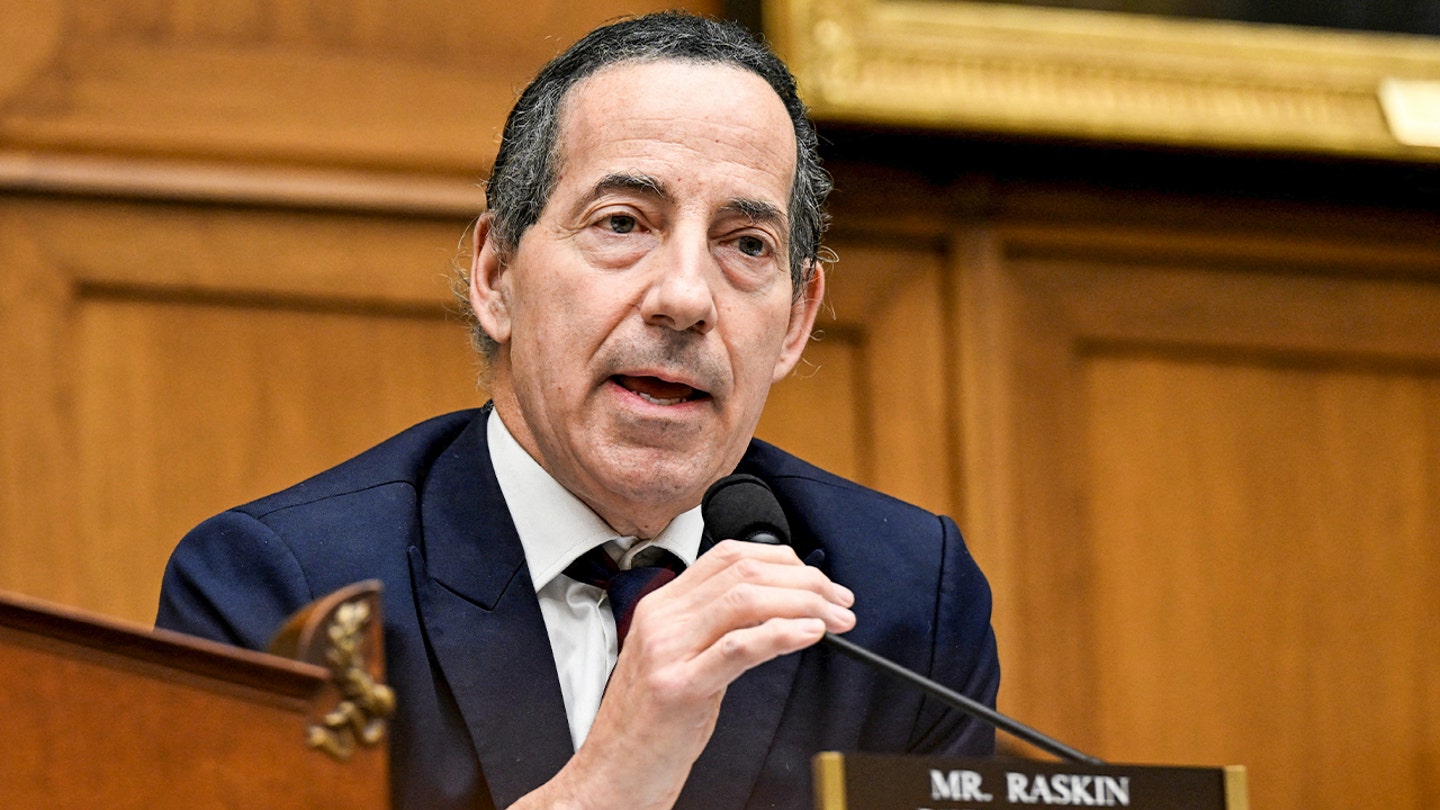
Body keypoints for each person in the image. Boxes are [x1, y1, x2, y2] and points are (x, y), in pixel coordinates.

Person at [156, 12, 999, 810]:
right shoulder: (288, 590)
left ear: (796, 322)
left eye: (747, 244)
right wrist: (610, 777)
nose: (684, 298)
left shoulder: (899, 600)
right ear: (497, 276)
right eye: (622, 223)